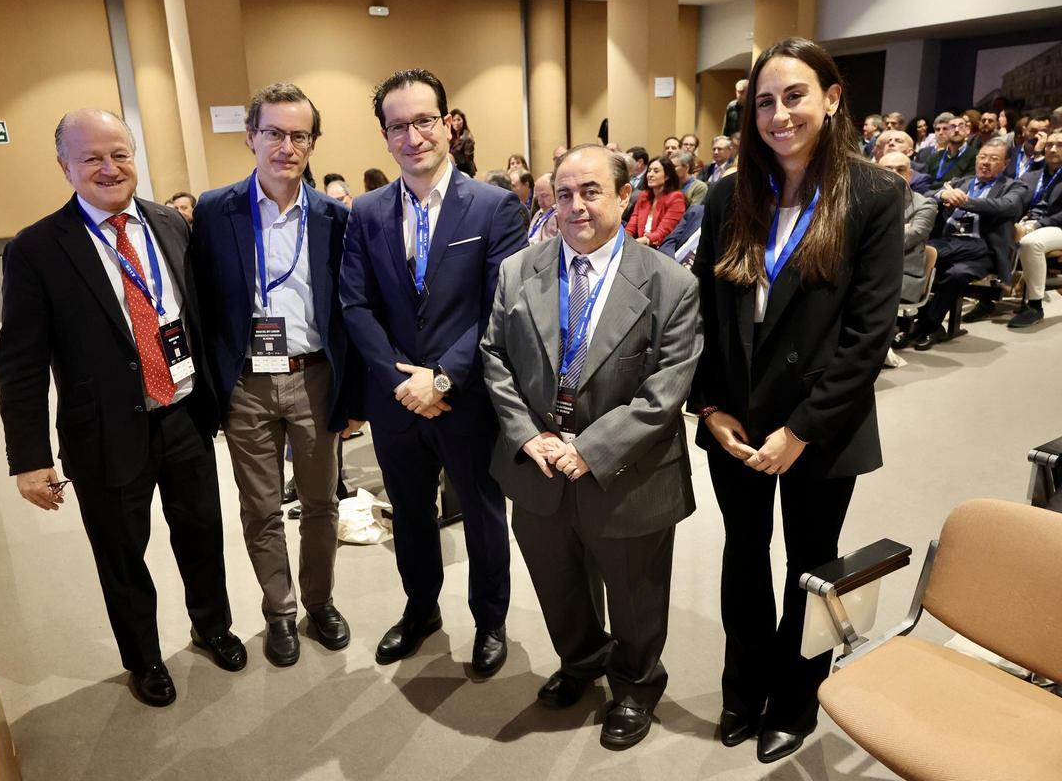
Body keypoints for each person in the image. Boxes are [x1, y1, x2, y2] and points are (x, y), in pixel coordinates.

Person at [688, 38, 903, 764]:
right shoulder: (727, 192)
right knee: (743, 556)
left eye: (795, 96)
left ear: (833, 98)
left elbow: (868, 338)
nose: (778, 115)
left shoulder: (873, 193)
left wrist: (801, 431)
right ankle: (742, 687)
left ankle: (796, 696)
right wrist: (709, 407)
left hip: (821, 425)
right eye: (763, 103)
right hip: (737, 424)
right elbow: (707, 316)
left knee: (810, 563)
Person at [0, 109, 246, 708]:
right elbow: (21, 364)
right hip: (102, 434)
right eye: (92, 159)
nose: (110, 168)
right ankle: (144, 658)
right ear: (65, 168)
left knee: (202, 533)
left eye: (121, 153)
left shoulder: (170, 223)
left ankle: (212, 625)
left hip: (184, 415)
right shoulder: (35, 250)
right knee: (121, 555)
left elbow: (197, 317)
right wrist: (28, 459)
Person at [481, 144, 701, 750]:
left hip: (627, 472)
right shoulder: (518, 271)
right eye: (564, 193)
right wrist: (529, 438)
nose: (575, 206)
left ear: (625, 197)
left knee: (634, 591)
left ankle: (635, 683)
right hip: (538, 468)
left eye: (592, 192)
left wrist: (593, 448)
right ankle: (580, 661)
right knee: (558, 582)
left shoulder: (670, 283)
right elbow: (494, 358)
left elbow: (665, 390)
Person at [340, 68, 526, 675]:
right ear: (386, 137)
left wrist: (442, 377)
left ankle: (490, 620)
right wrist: (403, 381)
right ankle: (421, 609)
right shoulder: (365, 212)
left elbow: (499, 306)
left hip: (467, 397)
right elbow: (355, 304)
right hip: (396, 401)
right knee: (409, 512)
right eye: (398, 125)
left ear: (449, 123)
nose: (413, 135)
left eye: (424, 120)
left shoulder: (495, 206)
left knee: (480, 510)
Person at [188, 82, 364, 668]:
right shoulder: (216, 211)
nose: (286, 146)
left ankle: (321, 602)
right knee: (260, 506)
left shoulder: (337, 217)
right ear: (251, 137)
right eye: (274, 133)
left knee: (320, 502)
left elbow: (352, 311)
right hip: (246, 382)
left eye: (299, 135)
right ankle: (280, 611)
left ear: (312, 143)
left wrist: (356, 390)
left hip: (315, 376)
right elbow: (203, 303)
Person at [895, 139, 1027, 348]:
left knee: (949, 270)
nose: (986, 163)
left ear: (1006, 163)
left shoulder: (1014, 186)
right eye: (982, 157)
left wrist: (965, 201)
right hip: (950, 242)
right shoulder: (960, 181)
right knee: (919, 259)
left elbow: (1007, 207)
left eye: (994, 159)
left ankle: (924, 326)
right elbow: (926, 196)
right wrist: (942, 194)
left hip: (983, 249)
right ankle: (915, 324)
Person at [1007, 129, 1062, 328]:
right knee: (994, 228)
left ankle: (1035, 305)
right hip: (1027, 222)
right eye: (1049, 145)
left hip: (1056, 226)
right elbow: (1014, 202)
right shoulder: (1032, 176)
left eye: (1060, 145)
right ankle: (987, 298)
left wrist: (1036, 225)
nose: (1053, 149)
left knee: (1031, 242)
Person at [878, 151, 939, 302]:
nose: (894, 174)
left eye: (900, 170)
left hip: (902, 278)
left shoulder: (925, 204)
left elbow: (905, 240)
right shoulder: (864, 200)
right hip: (868, 273)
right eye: (887, 169)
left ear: (910, 175)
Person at [626, 156, 686, 248]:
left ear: (667, 176)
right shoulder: (644, 195)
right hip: (639, 244)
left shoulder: (676, 198)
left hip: (658, 248)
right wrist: (624, 240)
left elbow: (662, 233)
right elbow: (632, 224)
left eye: (656, 171)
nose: (650, 174)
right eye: (649, 170)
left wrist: (633, 243)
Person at [528, 172, 560, 244]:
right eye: (537, 197)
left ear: (556, 192)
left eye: (544, 196)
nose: (540, 202)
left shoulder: (560, 215)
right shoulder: (538, 213)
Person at [448, 108, 476, 176]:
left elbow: (467, 159)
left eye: (459, 120)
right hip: (455, 170)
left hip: (465, 172)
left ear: (463, 121)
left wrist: (452, 158)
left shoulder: (467, 137)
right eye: (454, 120)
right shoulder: (452, 137)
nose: (456, 123)